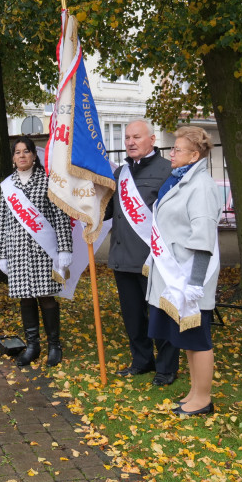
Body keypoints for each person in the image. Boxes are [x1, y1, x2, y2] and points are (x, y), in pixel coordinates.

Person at [146, 126, 223, 417]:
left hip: (189, 278)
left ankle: (203, 399)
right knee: (185, 339)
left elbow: (202, 237)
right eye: (173, 148)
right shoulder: (182, 181)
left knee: (196, 338)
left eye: (177, 149)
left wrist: (194, 283)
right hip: (174, 274)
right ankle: (194, 392)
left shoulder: (200, 186)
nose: (171, 153)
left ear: (195, 154)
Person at [105, 119, 179, 385]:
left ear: (153, 139)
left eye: (136, 137)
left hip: (153, 259)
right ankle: (141, 361)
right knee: (133, 316)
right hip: (122, 257)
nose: (130, 142)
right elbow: (110, 212)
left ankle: (167, 367)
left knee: (159, 314)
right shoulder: (120, 174)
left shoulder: (167, 170)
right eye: (127, 138)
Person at [0, 137, 72, 367]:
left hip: (43, 253)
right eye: (17, 152)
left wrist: (65, 248)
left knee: (47, 298)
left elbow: (60, 217)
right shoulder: (8, 186)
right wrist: (1, 253)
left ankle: (54, 346)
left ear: (34, 156)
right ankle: (32, 346)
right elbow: (2, 222)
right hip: (17, 252)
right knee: (26, 299)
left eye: (26, 151)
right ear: (13, 158)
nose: (21, 156)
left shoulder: (48, 182)